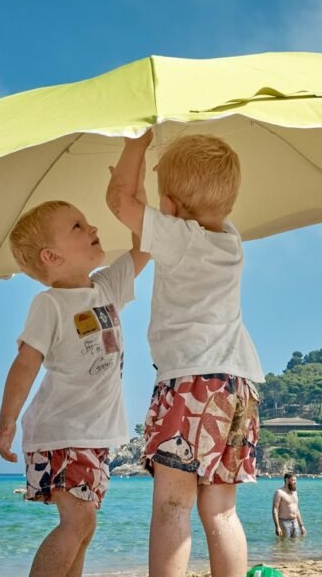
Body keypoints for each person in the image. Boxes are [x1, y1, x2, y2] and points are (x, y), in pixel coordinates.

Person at [106, 131, 264, 577]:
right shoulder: (231, 240)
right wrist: (153, 196)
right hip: (240, 386)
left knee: (173, 506)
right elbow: (143, 210)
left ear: (171, 207)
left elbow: (121, 202)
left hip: (192, 383)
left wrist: (136, 146)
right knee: (221, 511)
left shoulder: (179, 239)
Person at [0, 186, 150, 575]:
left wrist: (136, 188)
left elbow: (145, 246)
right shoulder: (49, 304)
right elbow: (25, 364)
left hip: (94, 436)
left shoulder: (106, 287)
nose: (92, 226)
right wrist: (7, 419)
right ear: (52, 257)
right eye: (77, 226)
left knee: (85, 525)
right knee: (77, 522)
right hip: (61, 430)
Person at [272, 473, 307, 537]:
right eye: (293, 480)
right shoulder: (279, 492)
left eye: (296, 480)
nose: (295, 482)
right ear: (287, 480)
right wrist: (277, 526)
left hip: (295, 522)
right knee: (284, 544)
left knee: (295, 544)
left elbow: (297, 510)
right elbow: (275, 510)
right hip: (284, 522)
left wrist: (301, 526)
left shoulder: (294, 492)